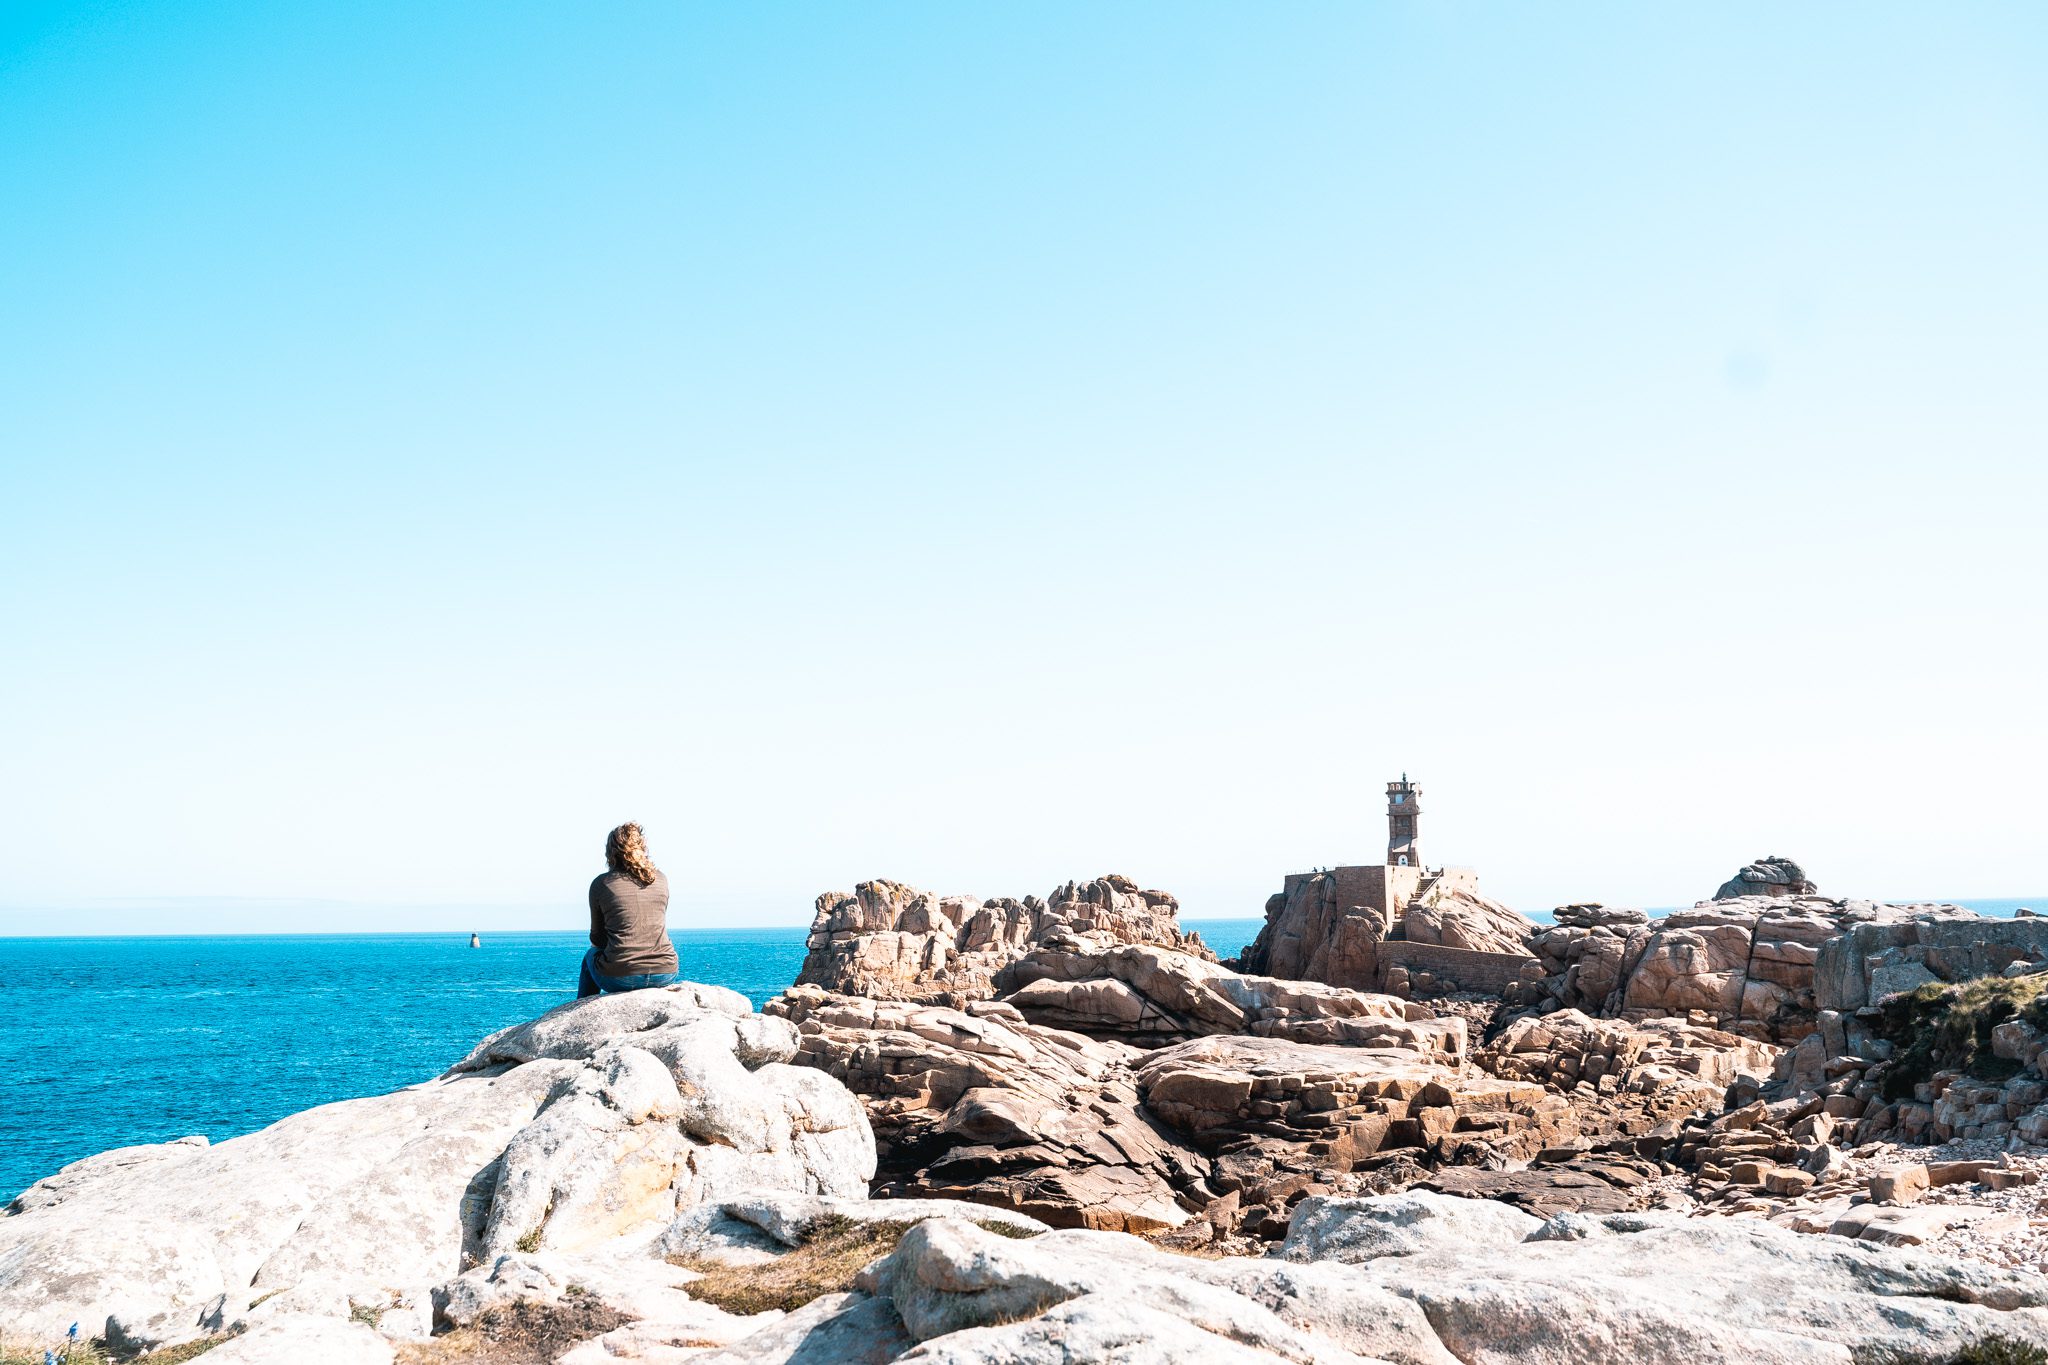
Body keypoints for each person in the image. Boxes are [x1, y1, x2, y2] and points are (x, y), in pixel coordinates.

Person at [579, 822, 680, 997]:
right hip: (665, 972)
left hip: (621, 977)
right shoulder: (661, 879)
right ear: (643, 847)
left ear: (611, 851)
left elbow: (597, 938)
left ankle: (580, 1011)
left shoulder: (602, 884)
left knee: (590, 956)